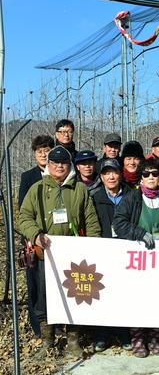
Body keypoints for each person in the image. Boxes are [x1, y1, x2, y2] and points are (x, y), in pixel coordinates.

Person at [19, 145, 101, 360]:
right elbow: (24, 217)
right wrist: (35, 234)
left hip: (74, 255)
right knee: (45, 297)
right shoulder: (37, 189)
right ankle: (47, 341)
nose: (59, 166)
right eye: (54, 163)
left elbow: (90, 219)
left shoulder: (80, 189)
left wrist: (93, 246)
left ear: (69, 165)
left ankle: (73, 341)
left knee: (76, 296)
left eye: (63, 162)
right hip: (46, 254)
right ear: (48, 165)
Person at [113, 159, 159, 358]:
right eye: (146, 174)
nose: (150, 177)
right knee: (136, 299)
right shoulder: (132, 198)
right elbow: (119, 222)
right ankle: (138, 339)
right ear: (140, 177)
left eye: (154, 174)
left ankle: (155, 339)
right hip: (137, 259)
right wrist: (138, 232)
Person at [90, 158, 132, 352]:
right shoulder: (95, 198)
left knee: (124, 293)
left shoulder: (132, 196)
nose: (111, 176)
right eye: (107, 173)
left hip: (128, 251)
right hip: (104, 251)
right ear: (101, 177)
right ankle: (103, 335)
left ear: (120, 174)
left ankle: (125, 333)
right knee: (104, 293)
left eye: (114, 172)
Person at [18, 135, 54, 340]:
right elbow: (24, 209)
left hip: (56, 239)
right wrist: (34, 233)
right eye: (39, 151)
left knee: (54, 283)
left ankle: (56, 324)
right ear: (34, 154)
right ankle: (38, 326)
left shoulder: (61, 173)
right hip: (35, 239)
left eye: (46, 150)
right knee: (35, 284)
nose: (43, 154)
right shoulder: (28, 176)